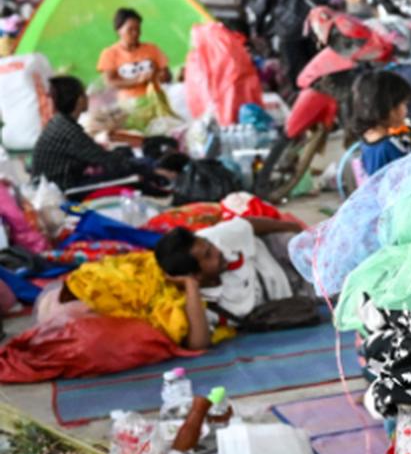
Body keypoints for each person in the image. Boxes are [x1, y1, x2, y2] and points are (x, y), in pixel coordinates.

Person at [153, 216, 306, 349]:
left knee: (301, 246)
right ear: (196, 276)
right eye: (208, 255)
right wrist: (191, 284)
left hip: (275, 252)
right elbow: (199, 344)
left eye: (210, 245)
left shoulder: (213, 238)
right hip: (292, 295)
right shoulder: (199, 303)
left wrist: (295, 228)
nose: (217, 251)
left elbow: (247, 225)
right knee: (326, 291)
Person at [31, 74, 175, 195]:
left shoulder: (60, 123)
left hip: (59, 184)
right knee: (130, 175)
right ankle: (166, 194)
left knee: (124, 156)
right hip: (65, 190)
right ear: (80, 100)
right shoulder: (68, 131)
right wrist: (152, 171)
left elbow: (98, 155)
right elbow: (107, 161)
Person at [348, 69, 411, 180]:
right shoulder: (388, 147)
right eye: (404, 104)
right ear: (389, 109)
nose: (406, 110)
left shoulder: (367, 139)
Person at [97, 8, 171, 103]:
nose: (135, 33)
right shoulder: (109, 53)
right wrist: (137, 80)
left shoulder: (152, 48)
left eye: (138, 29)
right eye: (130, 29)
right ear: (119, 30)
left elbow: (167, 76)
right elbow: (110, 83)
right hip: (129, 103)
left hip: (156, 99)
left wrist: (158, 76)